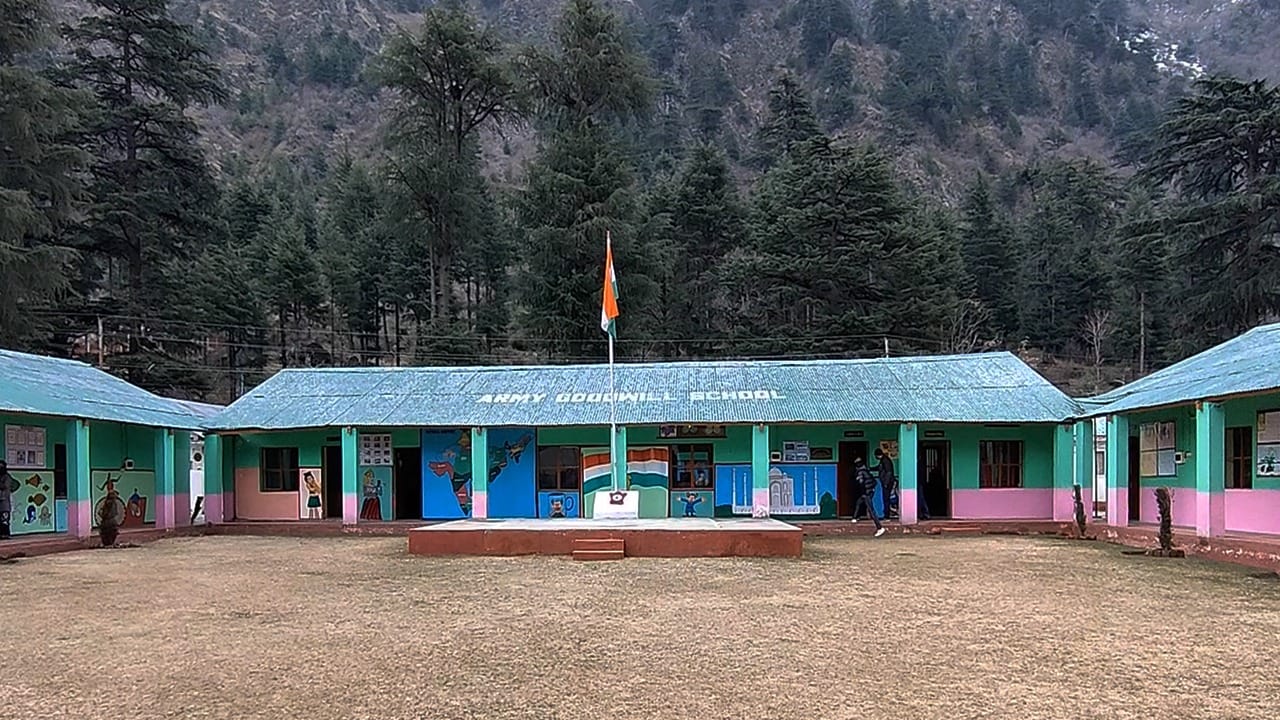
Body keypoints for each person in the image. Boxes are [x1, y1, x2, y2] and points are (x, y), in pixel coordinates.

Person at [850, 458, 886, 537]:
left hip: (866, 493)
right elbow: (874, 482)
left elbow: (861, 483)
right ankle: (855, 517)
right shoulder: (867, 471)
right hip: (869, 492)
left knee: (871, 510)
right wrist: (871, 490)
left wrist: (864, 493)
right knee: (859, 502)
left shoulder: (860, 473)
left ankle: (880, 527)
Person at [873, 448, 897, 519]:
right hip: (886, 482)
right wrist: (870, 468)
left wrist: (886, 483)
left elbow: (889, 472)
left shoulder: (885, 460)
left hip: (888, 483)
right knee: (886, 498)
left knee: (886, 499)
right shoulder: (883, 460)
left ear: (877, 455)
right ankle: (887, 514)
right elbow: (879, 468)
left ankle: (887, 515)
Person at [0, 460, 13, 539]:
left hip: (4, 502)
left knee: (4, 520)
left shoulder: (7, 477)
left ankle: (5, 534)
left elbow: (5, 486)